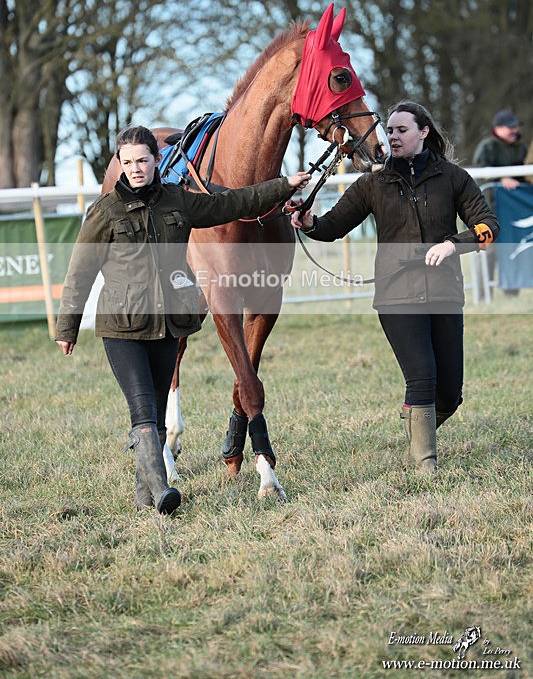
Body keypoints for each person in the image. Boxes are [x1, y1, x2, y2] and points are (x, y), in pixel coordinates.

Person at [56, 124, 310, 514]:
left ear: (157, 161)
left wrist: (283, 185)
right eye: (128, 162)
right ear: (120, 166)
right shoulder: (104, 211)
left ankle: (145, 496)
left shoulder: (179, 201)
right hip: (122, 326)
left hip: (168, 324)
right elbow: (80, 271)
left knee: (156, 411)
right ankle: (162, 493)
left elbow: (235, 204)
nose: (136, 168)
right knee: (143, 410)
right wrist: (68, 325)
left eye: (143, 160)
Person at [292, 101, 499, 475]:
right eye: (390, 130)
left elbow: (488, 227)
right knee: (422, 375)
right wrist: (309, 223)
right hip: (396, 296)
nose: (393, 136)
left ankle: (416, 428)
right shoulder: (373, 182)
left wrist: (453, 243)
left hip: (445, 293)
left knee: (450, 392)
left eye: (402, 130)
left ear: (423, 132)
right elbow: (332, 226)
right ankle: (425, 466)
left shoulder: (453, 177)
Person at [472, 110, 526, 294]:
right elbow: (480, 173)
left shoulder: (521, 148)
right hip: (489, 210)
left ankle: (512, 292)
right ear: (497, 129)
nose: (514, 130)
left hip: (512, 212)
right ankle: (482, 293)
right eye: (509, 127)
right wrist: (502, 179)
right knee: (489, 250)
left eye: (515, 126)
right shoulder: (488, 146)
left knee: (513, 250)